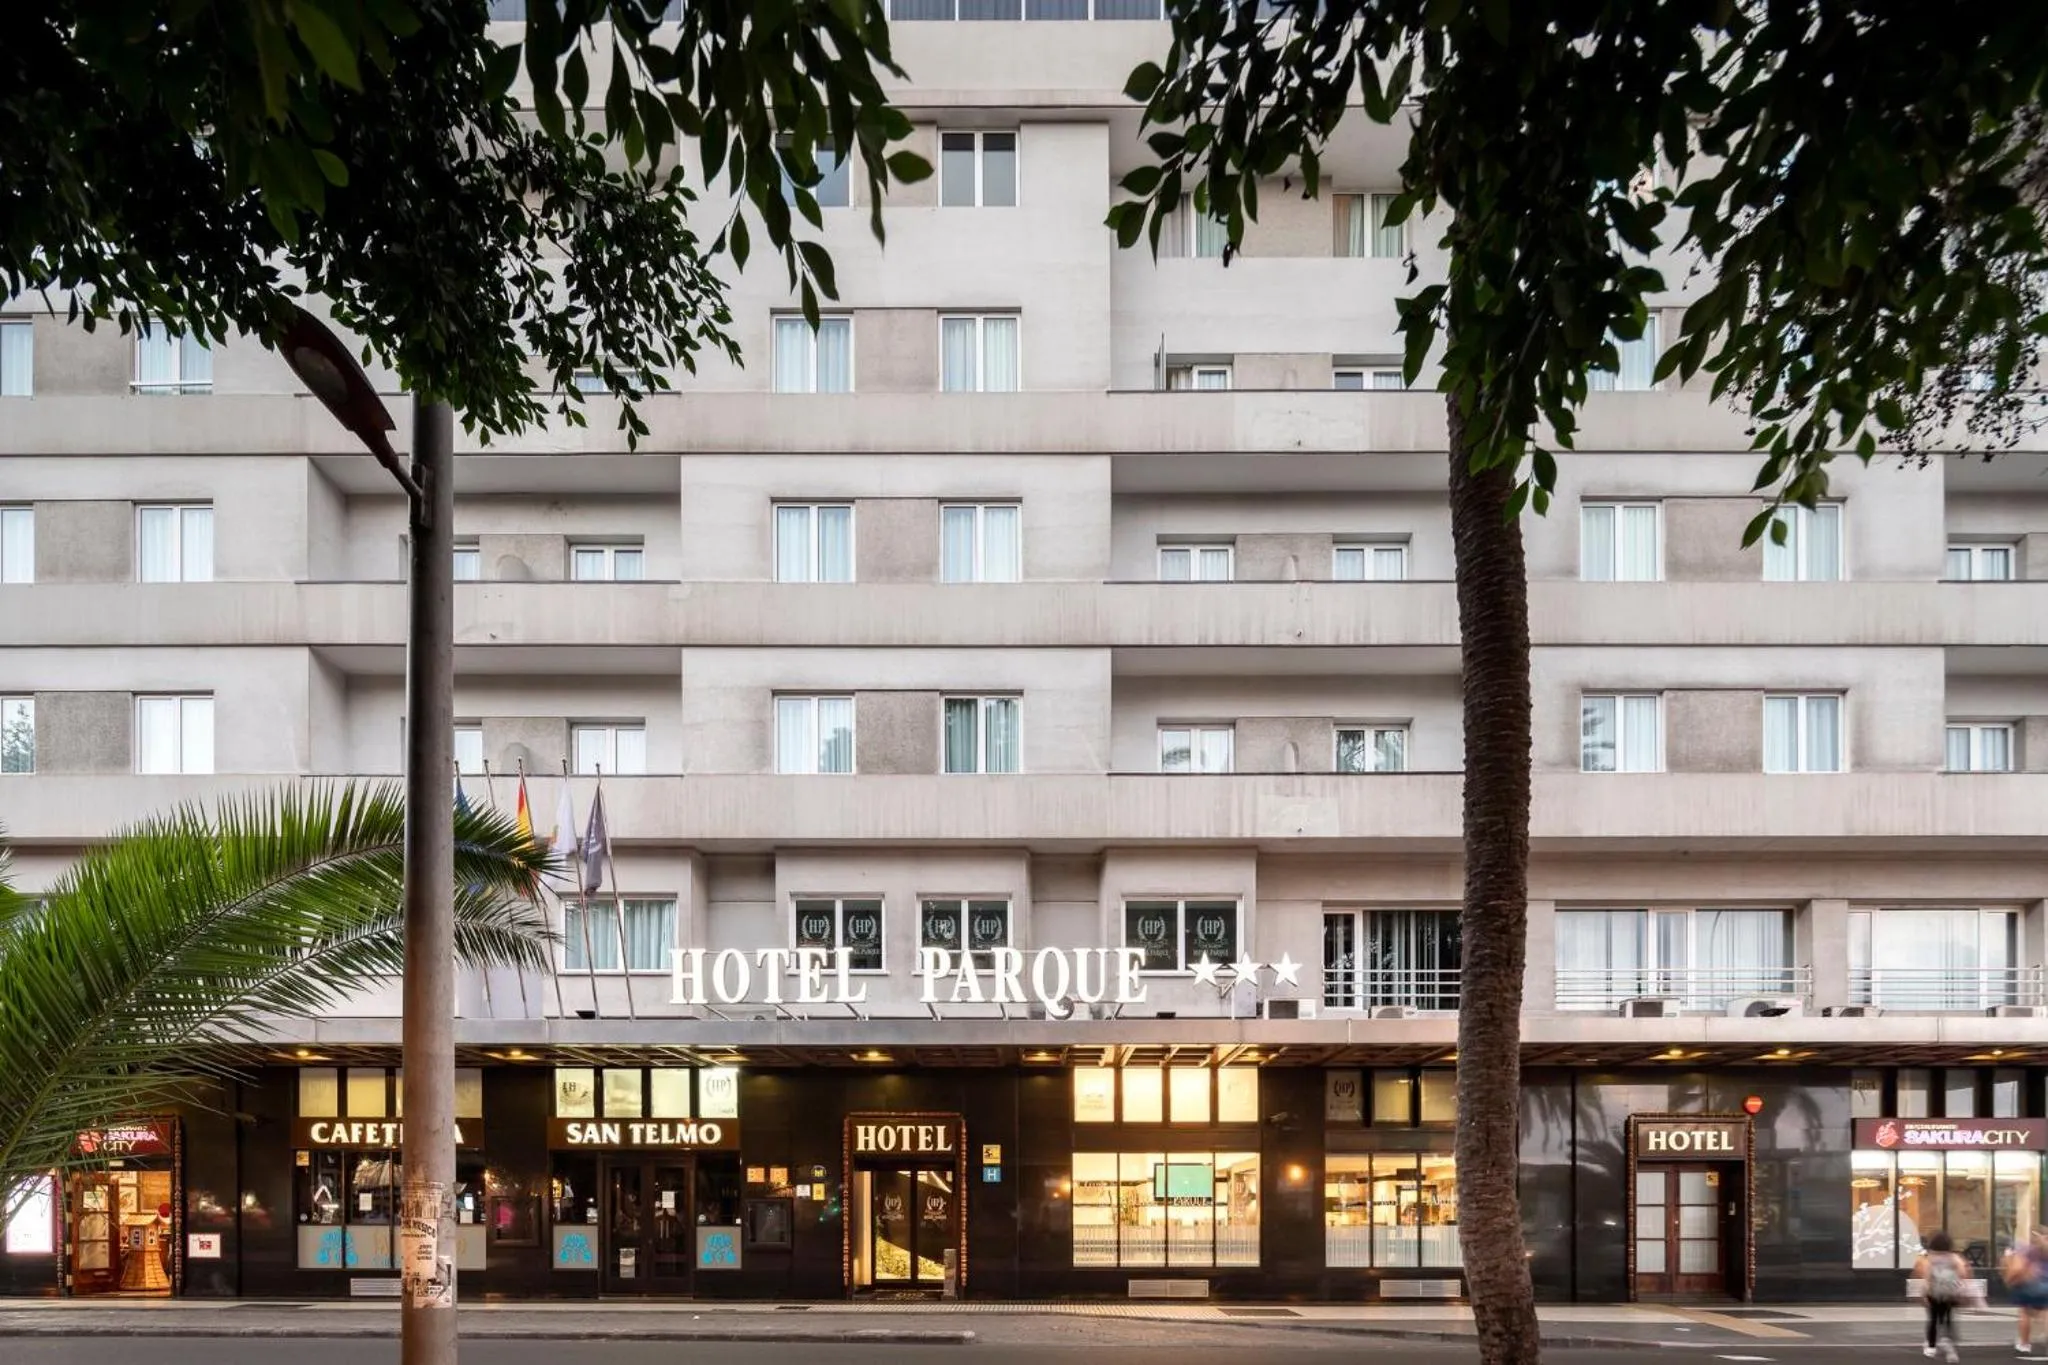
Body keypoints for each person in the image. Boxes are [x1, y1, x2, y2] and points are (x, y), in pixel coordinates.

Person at [1915, 1230, 1968, 1363]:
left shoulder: (1930, 1258)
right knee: (1948, 1319)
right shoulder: (1954, 1258)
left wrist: (1923, 1294)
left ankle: (1931, 1347)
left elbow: (1927, 1278)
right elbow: (1962, 1273)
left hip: (1934, 1293)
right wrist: (1961, 1290)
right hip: (1950, 1294)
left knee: (1933, 1320)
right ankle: (1948, 1342)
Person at [2005, 1225, 2048, 1355]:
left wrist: (2009, 1280)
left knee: (2025, 1312)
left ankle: (2024, 1344)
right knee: (2046, 1313)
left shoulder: (2026, 1250)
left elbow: (2018, 1269)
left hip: (2029, 1285)